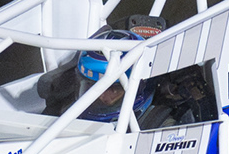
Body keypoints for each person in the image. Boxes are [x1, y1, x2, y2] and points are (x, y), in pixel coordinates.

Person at [38, 14, 169, 120]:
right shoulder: (65, 112)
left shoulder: (162, 122)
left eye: (114, 90)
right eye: (93, 86)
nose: (102, 95)